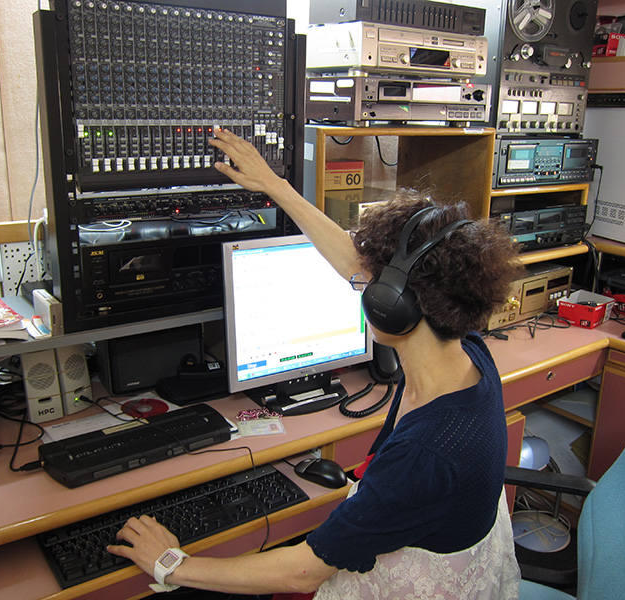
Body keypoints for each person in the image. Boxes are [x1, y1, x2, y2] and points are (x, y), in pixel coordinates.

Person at [107, 129, 523, 599]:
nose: (358, 283)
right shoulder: (466, 350)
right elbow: (352, 260)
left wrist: (172, 565)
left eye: (370, 282)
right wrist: (275, 187)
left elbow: (301, 573)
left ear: (393, 305)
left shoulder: (426, 454)